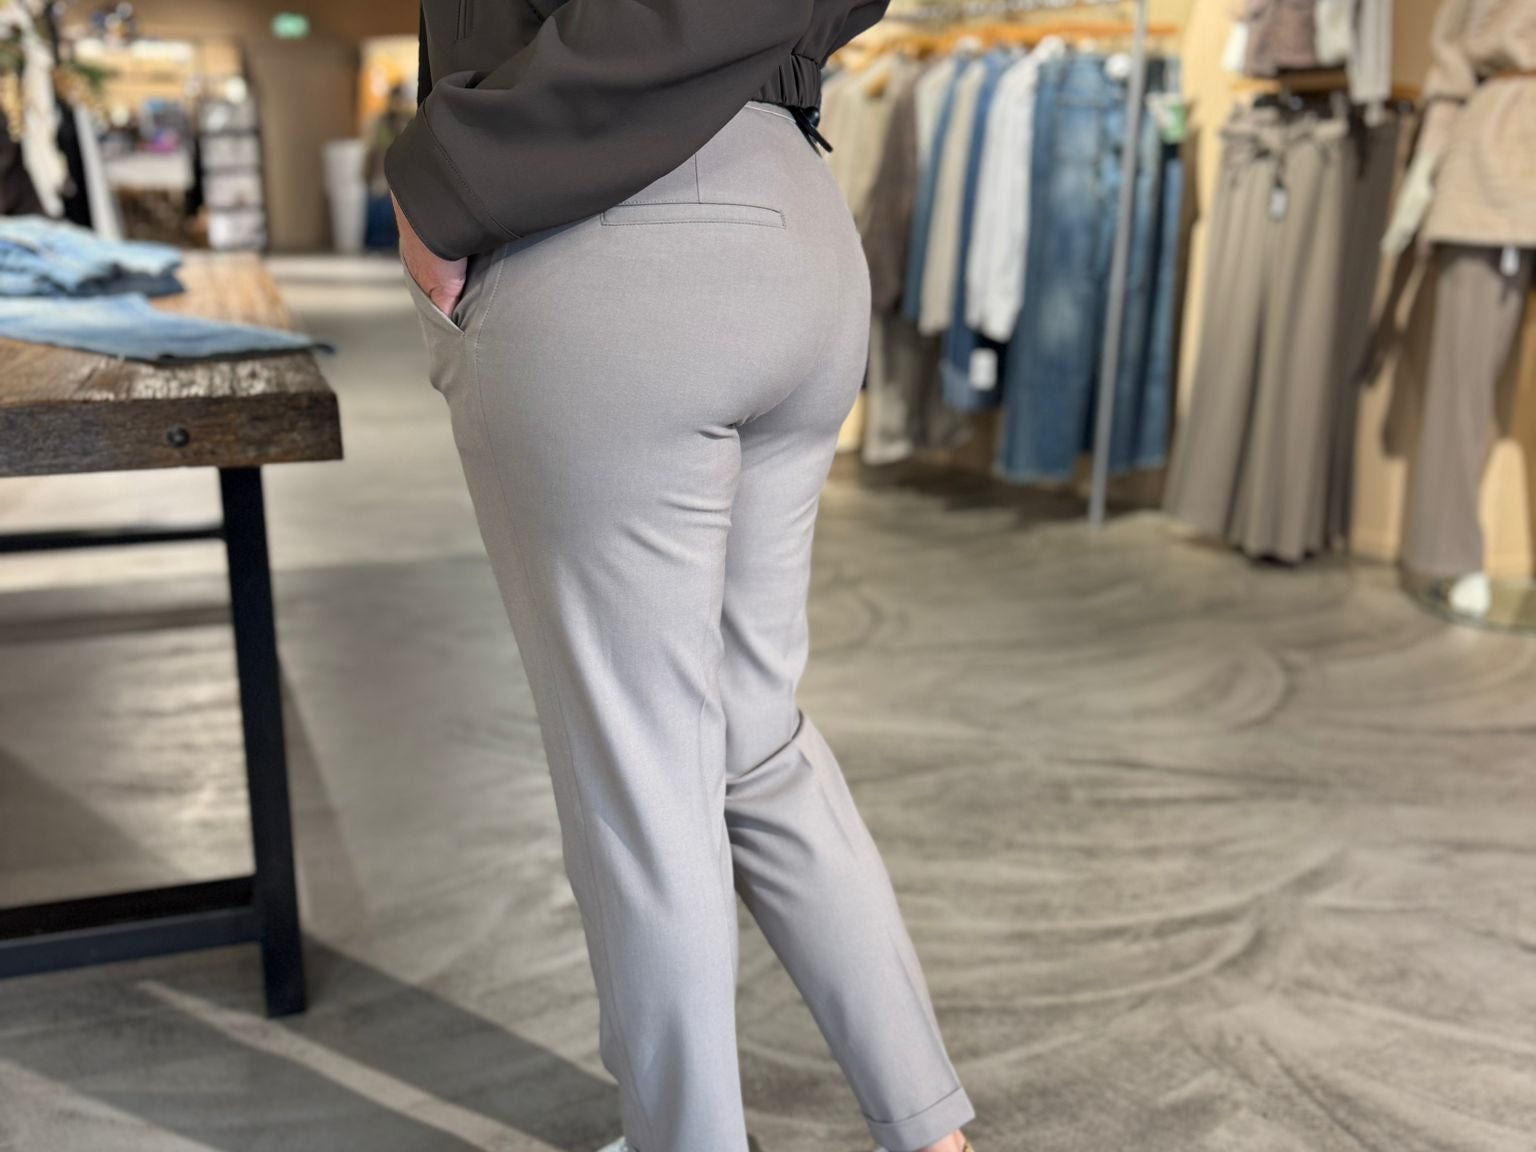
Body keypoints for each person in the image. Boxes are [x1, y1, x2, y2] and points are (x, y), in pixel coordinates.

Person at [385, 2, 976, 1150]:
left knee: (642, 769)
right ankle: (933, 1135)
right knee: (755, 736)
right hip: (793, 223)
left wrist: (444, 178)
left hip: (597, 216)